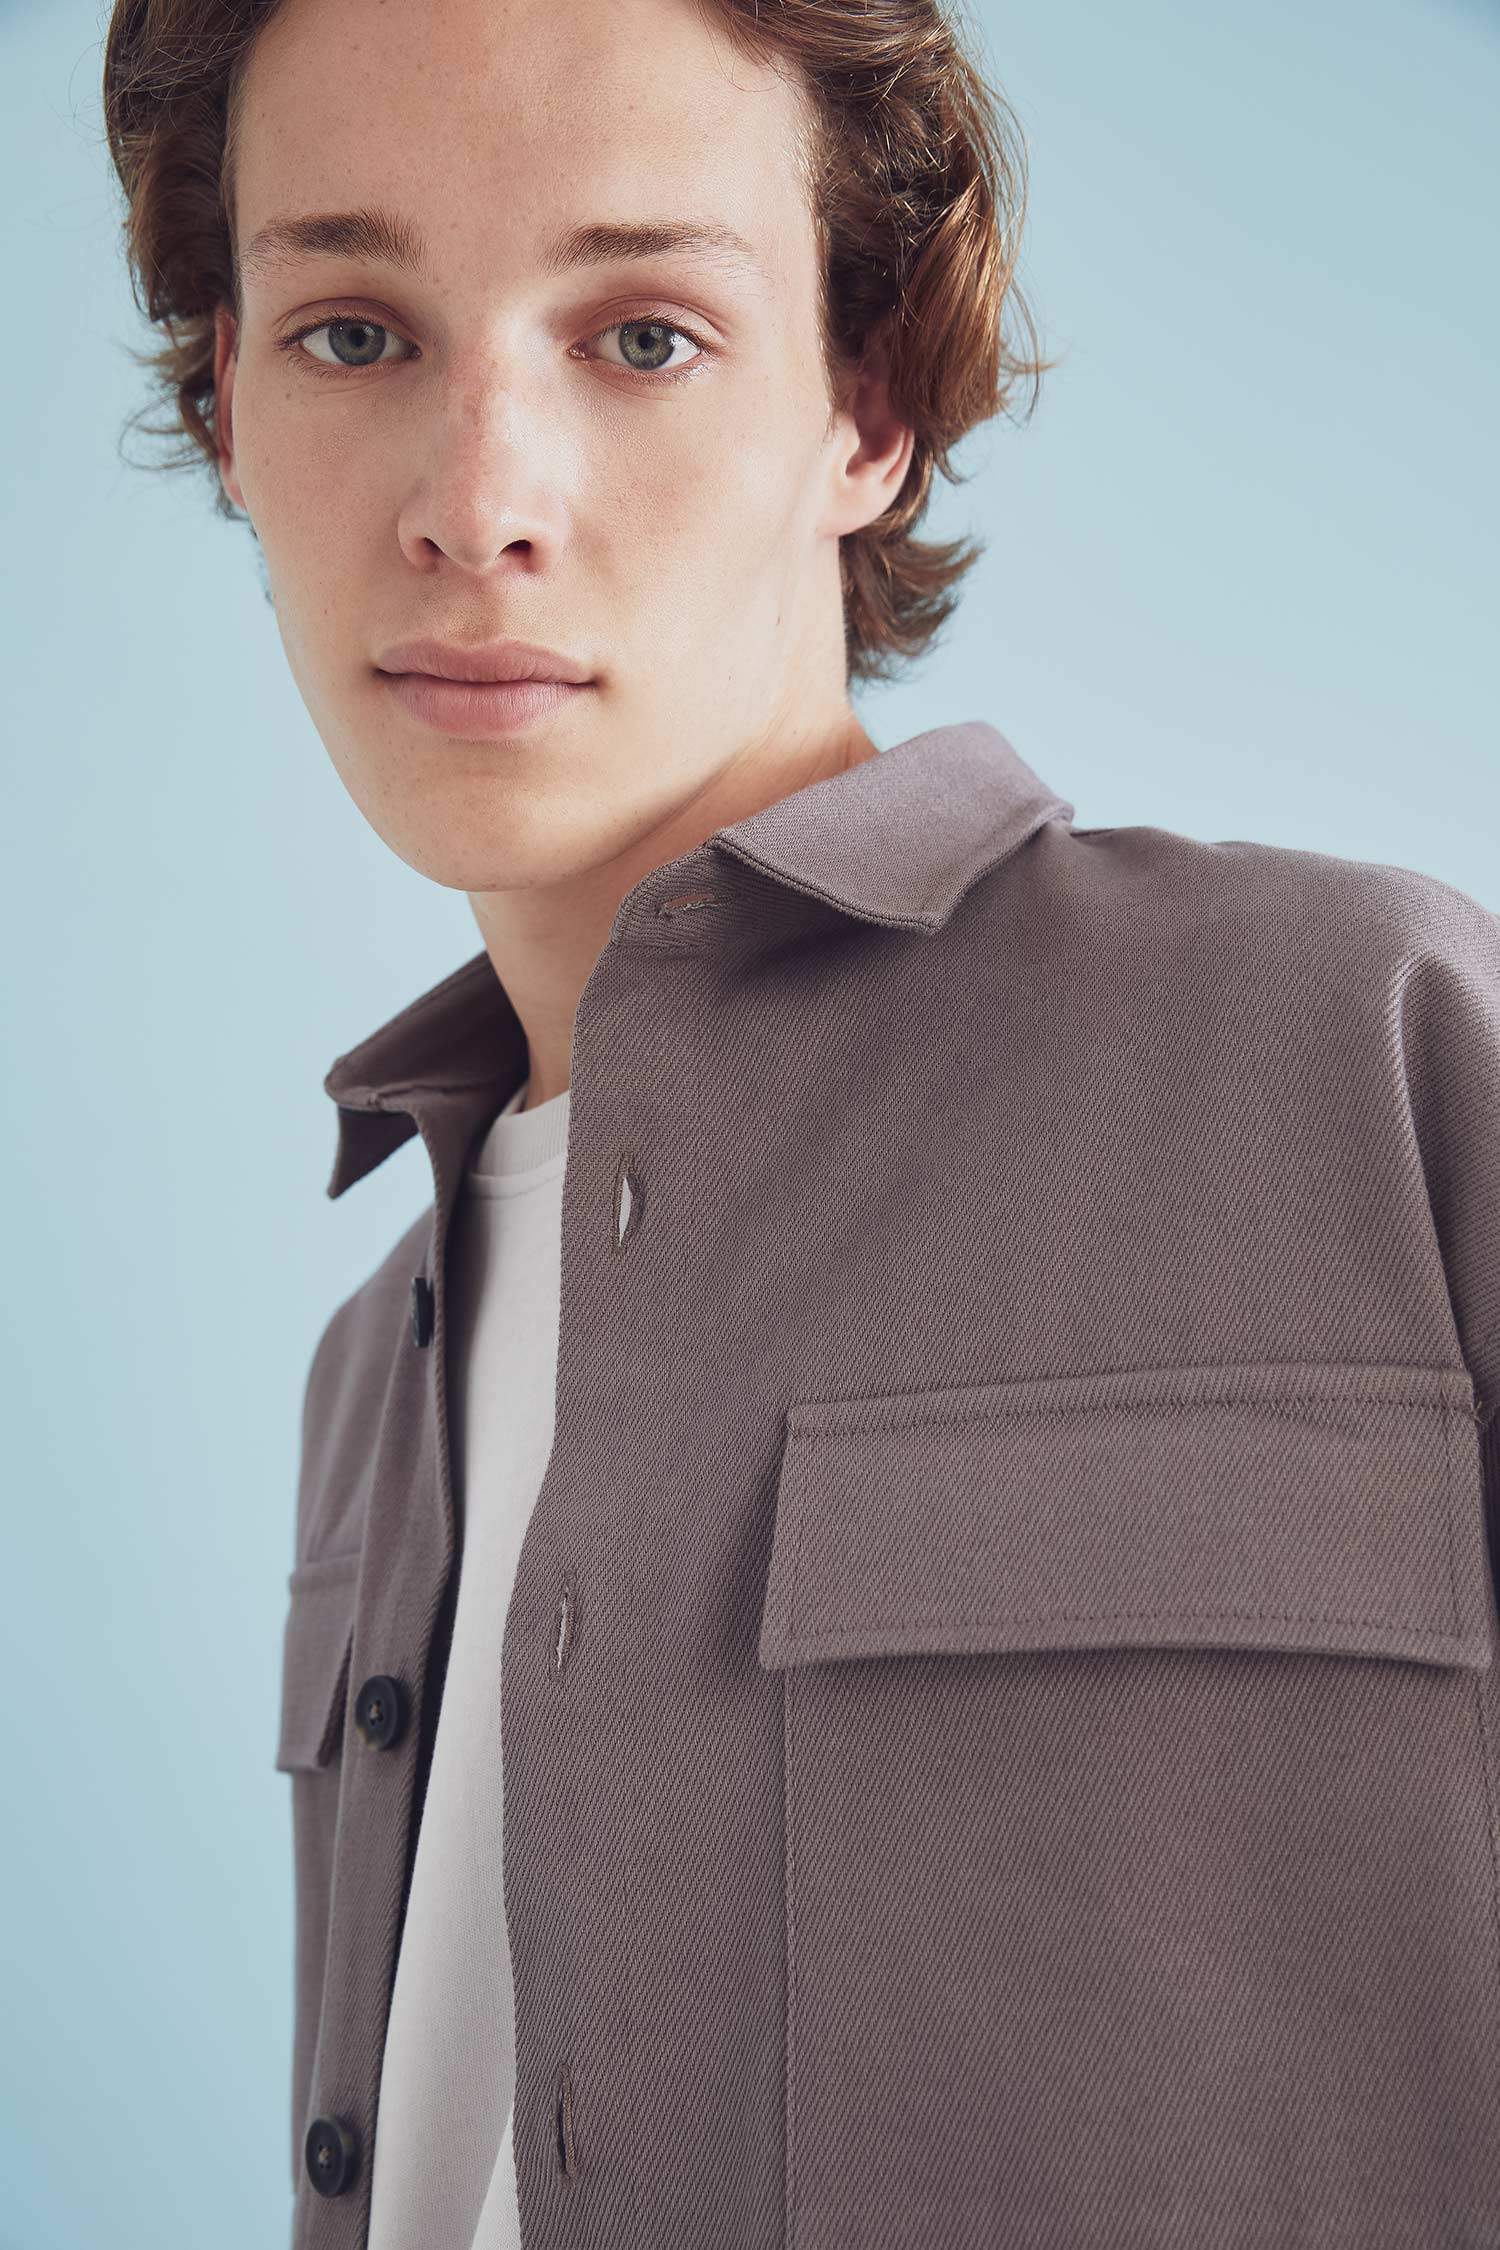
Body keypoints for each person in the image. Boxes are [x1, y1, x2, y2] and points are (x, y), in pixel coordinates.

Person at [102, 0, 1500, 2245]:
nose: (477, 504)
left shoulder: (1374, 1055)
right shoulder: (377, 1368)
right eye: (353, 332)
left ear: (866, 409)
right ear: (227, 408)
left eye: (644, 338)